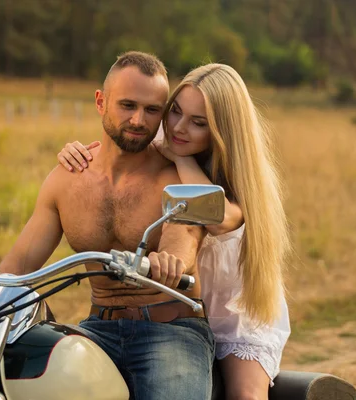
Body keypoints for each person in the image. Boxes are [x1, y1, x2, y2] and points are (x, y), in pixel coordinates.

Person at [56, 63, 291, 400]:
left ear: (222, 130)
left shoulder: (230, 176)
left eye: (198, 123)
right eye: (175, 112)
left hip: (234, 310)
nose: (180, 128)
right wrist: (75, 152)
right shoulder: (166, 143)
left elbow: (215, 215)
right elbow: (118, 155)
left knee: (246, 396)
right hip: (177, 304)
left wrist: (181, 161)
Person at [0, 51, 215, 400]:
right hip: (97, 329)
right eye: (127, 105)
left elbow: (183, 241)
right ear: (101, 102)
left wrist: (170, 261)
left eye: (152, 110)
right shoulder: (66, 180)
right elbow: (19, 266)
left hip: (171, 332)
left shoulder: (177, 177)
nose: (138, 120)